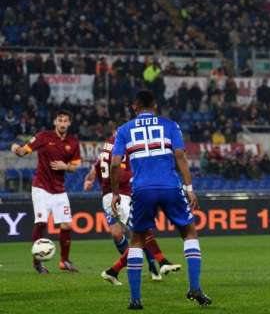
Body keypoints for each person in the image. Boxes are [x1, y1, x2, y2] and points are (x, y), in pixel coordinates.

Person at [110, 90, 211, 309]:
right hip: (170, 186)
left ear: (134, 107)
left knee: (137, 239)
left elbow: (115, 163)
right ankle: (194, 288)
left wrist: (116, 192)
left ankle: (135, 299)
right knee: (189, 233)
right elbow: (180, 156)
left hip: (142, 189)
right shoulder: (170, 125)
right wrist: (190, 188)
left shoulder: (124, 130)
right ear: (155, 105)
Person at [83, 129, 181, 285]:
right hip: (118, 196)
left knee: (139, 235)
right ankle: (161, 262)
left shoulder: (107, 147)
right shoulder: (120, 149)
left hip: (112, 197)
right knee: (141, 229)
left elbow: (96, 168)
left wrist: (89, 180)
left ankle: (113, 271)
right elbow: (120, 174)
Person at [11, 110, 81, 274]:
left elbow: (75, 166)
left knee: (67, 224)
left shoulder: (73, 142)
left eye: (65, 121)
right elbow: (23, 151)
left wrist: (65, 167)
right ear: (55, 122)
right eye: (60, 120)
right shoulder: (43, 137)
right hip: (41, 187)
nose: (63, 124)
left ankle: (64, 261)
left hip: (59, 189)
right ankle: (37, 262)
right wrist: (15, 148)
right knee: (41, 223)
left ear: (69, 123)